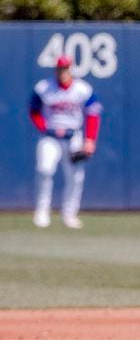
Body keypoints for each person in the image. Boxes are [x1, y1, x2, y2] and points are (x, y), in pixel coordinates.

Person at [30, 55, 102, 229]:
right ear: (56, 69)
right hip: (50, 136)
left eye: (66, 68)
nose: (63, 71)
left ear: (71, 69)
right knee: (45, 170)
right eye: (60, 68)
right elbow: (34, 110)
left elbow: (93, 114)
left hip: (73, 136)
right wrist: (43, 127)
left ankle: (69, 214)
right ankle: (42, 211)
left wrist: (90, 139)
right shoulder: (44, 88)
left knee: (75, 177)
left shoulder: (82, 89)